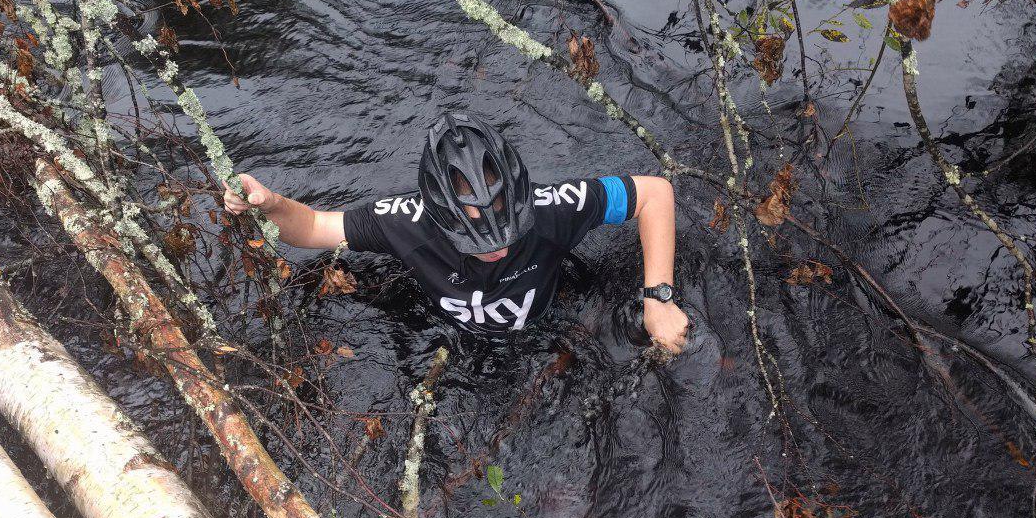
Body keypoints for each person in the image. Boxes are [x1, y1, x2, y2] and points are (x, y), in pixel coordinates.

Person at [222, 113, 689, 352]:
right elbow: (315, 227)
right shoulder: (404, 221)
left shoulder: (550, 209)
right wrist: (272, 204)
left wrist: (658, 297)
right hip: (453, 339)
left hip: (546, 324)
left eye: (505, 235)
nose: (495, 251)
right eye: (476, 243)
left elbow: (654, 194)